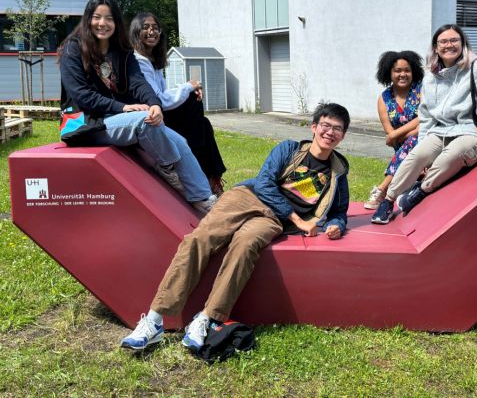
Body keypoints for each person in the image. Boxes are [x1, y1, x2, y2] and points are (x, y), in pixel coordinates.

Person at [120, 103, 351, 352]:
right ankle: (155, 320)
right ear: (314, 127)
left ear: (343, 135)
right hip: (247, 197)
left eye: (337, 129)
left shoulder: (337, 173)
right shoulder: (289, 149)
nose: (330, 132)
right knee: (201, 238)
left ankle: (207, 318)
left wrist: (336, 225)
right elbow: (264, 183)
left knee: (245, 246)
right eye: (326, 125)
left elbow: (339, 211)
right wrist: (297, 219)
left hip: (272, 220)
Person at [58, 0, 217, 214]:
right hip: (87, 124)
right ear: (87, 20)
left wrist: (154, 104)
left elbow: (138, 83)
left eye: (109, 18)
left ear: (117, 22)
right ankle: (167, 167)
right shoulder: (73, 49)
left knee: (179, 140)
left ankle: (204, 201)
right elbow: (81, 95)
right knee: (144, 122)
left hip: (116, 120)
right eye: (96, 17)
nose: (102, 23)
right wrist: (123, 108)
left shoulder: (122, 52)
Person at [371, 24, 477, 224]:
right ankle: (388, 200)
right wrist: (422, 143)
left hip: (470, 131)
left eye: (454, 40)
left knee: (450, 156)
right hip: (440, 130)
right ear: (436, 47)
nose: (449, 45)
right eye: (443, 41)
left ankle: (420, 190)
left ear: (463, 44)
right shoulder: (431, 76)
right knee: (415, 157)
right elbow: (426, 115)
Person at [130, 12, 227, 195]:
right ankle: (208, 178)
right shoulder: (138, 61)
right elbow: (158, 100)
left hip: (161, 114)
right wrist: (188, 87)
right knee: (193, 104)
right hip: (150, 117)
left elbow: (165, 94)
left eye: (155, 28)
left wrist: (189, 88)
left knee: (203, 124)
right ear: (136, 32)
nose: (152, 31)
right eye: (146, 27)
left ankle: (211, 178)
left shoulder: (152, 62)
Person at [364, 51, 423, 209]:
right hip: (402, 148)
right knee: (411, 141)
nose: (403, 74)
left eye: (407, 70)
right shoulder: (384, 98)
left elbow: (424, 119)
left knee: (414, 139)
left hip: (423, 139)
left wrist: (399, 134)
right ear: (389, 73)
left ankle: (383, 188)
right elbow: (389, 134)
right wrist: (400, 134)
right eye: (397, 71)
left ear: (414, 72)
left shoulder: (421, 90)